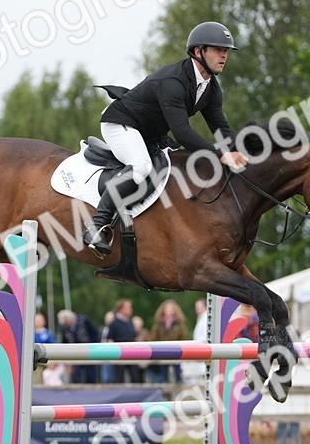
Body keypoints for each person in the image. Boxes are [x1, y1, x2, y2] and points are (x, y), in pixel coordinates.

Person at [83, 21, 251, 257]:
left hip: (150, 133)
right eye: (217, 49)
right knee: (141, 167)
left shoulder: (211, 88)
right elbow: (182, 132)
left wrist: (240, 152)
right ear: (198, 51)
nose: (224, 55)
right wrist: (221, 154)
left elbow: (220, 128)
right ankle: (96, 225)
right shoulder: (173, 82)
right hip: (121, 123)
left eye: (226, 51)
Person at [147, 300, 189, 383]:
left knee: (178, 376)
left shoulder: (179, 324)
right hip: (162, 352)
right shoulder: (159, 323)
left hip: (176, 352)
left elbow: (184, 337)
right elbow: (153, 337)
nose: (169, 311)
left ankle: (178, 393)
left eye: (171, 309)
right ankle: (164, 394)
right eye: (167, 308)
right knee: (163, 377)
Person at [58, 309, 101, 384]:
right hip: (75, 354)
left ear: (70, 320)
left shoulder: (84, 320)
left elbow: (95, 333)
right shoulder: (64, 329)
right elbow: (64, 343)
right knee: (76, 376)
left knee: (91, 375)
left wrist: (94, 347)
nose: (66, 327)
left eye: (67, 324)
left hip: (89, 351)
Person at [105, 299, 139, 383]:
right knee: (119, 377)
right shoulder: (114, 323)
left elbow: (133, 336)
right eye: (128, 308)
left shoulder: (130, 322)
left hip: (131, 352)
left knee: (135, 376)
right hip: (119, 352)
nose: (130, 310)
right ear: (121, 309)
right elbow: (108, 339)